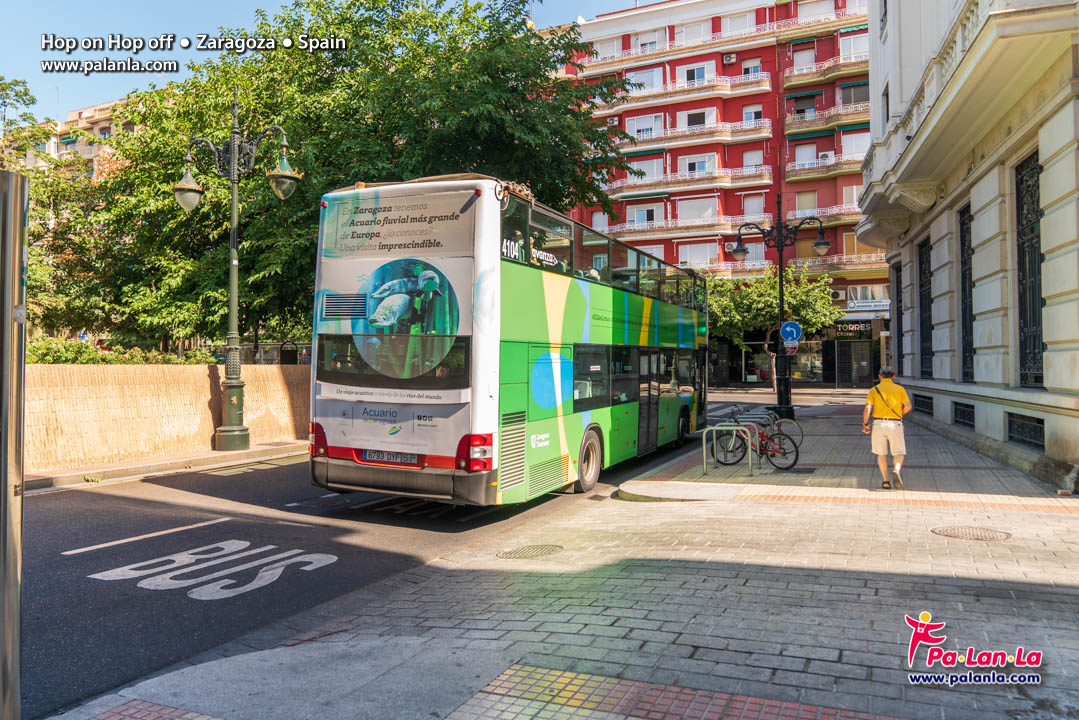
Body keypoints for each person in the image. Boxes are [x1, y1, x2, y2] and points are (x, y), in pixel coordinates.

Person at [862, 365, 912, 489]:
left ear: (879, 376)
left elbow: (867, 408)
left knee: (881, 454)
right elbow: (908, 406)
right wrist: (900, 414)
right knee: (899, 451)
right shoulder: (900, 389)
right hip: (895, 423)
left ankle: (885, 481)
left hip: (879, 424)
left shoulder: (874, 390)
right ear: (893, 377)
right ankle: (896, 469)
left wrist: (865, 424)